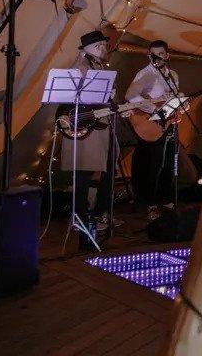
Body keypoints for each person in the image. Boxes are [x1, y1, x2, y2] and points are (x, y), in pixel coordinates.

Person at [59, 30, 115, 247]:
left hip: (97, 127)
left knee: (101, 170)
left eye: (103, 45)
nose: (102, 48)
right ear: (86, 49)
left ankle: (96, 216)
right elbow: (72, 98)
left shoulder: (99, 67)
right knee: (82, 176)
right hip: (83, 130)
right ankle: (81, 222)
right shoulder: (79, 67)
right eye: (98, 45)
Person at [126, 39, 182, 221]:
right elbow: (130, 96)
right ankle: (149, 203)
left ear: (167, 55)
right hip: (153, 123)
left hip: (169, 122)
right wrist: (153, 109)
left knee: (168, 163)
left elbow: (172, 98)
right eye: (153, 54)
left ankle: (166, 200)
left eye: (160, 54)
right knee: (153, 165)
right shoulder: (146, 74)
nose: (156, 58)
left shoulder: (172, 74)